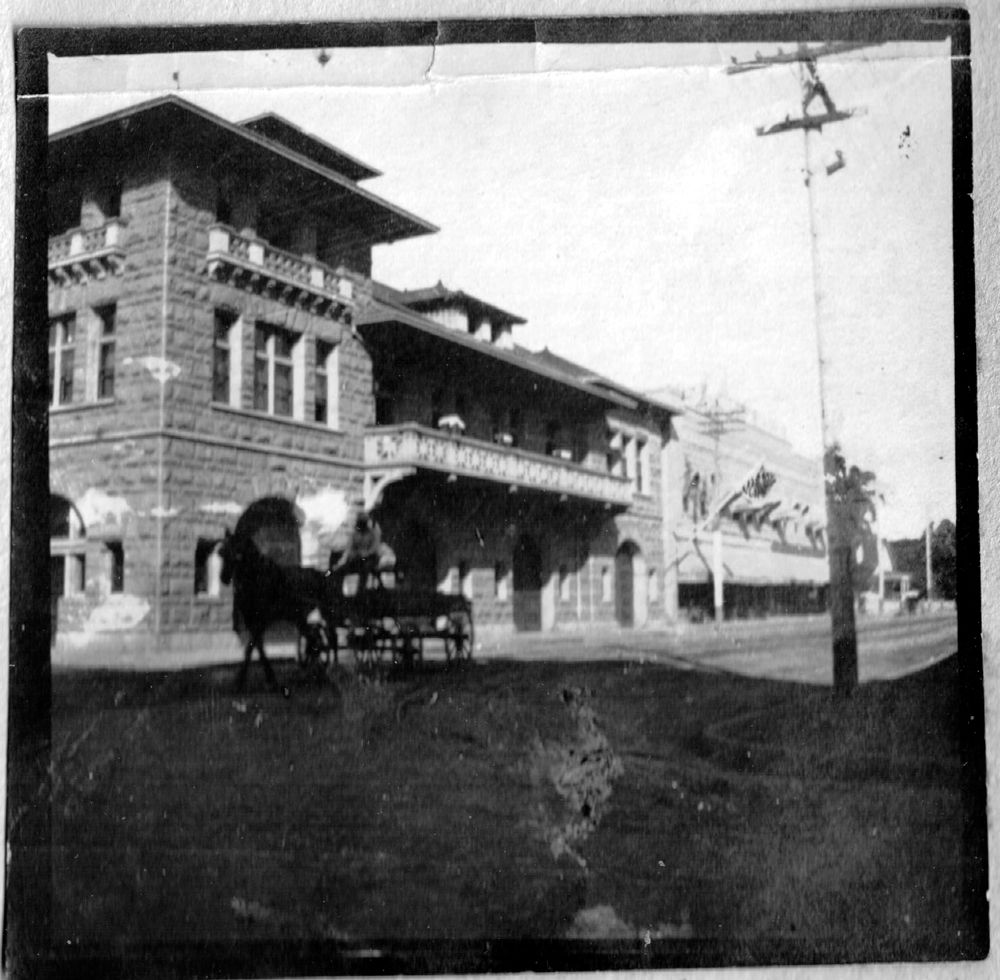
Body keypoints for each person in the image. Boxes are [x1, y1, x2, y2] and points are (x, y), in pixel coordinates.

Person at [333, 511, 383, 594]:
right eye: (359, 522)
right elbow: (350, 548)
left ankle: (361, 592)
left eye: (362, 523)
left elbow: (375, 547)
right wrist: (346, 558)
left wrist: (366, 553)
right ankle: (339, 594)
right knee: (340, 569)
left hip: (369, 558)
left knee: (365, 569)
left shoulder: (372, 533)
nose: (360, 525)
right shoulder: (354, 533)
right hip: (357, 558)